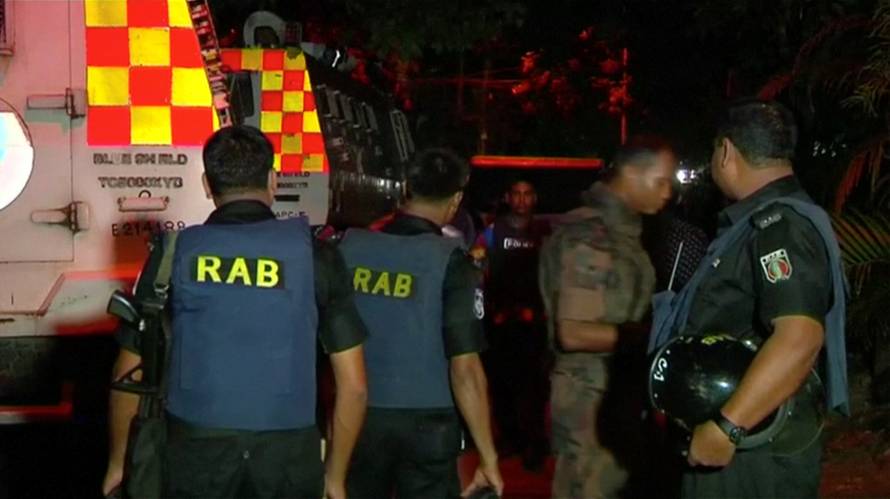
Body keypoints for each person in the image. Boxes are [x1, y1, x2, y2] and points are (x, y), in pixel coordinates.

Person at [101, 125, 369, 499]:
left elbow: (131, 369)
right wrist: (335, 477)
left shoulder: (172, 254)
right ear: (273, 180)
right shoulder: (315, 255)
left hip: (196, 453)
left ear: (207, 185)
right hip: (287, 457)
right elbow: (353, 385)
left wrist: (119, 463)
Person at [649, 100, 849, 498]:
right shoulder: (757, 224)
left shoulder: (780, 227)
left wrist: (728, 425)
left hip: (754, 451)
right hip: (744, 440)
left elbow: (800, 337)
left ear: (725, 152)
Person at [338, 148, 503, 498]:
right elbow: (465, 369)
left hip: (358, 422)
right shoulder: (453, 262)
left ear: (405, 189)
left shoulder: (349, 247)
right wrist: (487, 456)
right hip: (428, 426)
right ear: (456, 199)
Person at [539, 135, 676, 498]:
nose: (667, 193)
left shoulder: (620, 232)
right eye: (660, 182)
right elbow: (573, 332)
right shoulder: (592, 236)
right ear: (631, 174)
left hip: (613, 396)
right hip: (591, 403)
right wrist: (654, 337)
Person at [476, 178, 551, 470]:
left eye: (527, 194)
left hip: (535, 325)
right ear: (508, 197)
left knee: (534, 389)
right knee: (502, 387)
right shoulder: (493, 233)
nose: (521, 200)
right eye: (516, 194)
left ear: (535, 198)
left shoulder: (546, 234)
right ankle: (510, 439)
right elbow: (478, 268)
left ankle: (534, 444)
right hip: (501, 324)